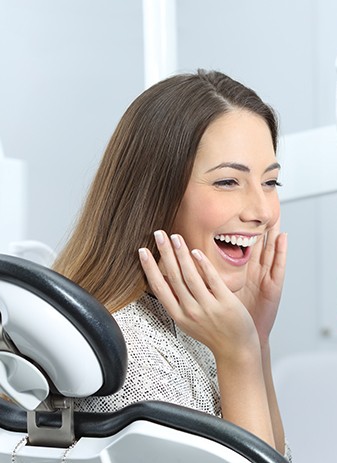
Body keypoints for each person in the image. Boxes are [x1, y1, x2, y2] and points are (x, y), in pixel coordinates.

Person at [52, 69, 291, 459]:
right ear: (154, 194)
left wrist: (257, 339)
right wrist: (241, 354)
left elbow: (277, 456)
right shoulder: (131, 357)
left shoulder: (202, 324)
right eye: (228, 182)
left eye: (270, 182)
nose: (263, 211)